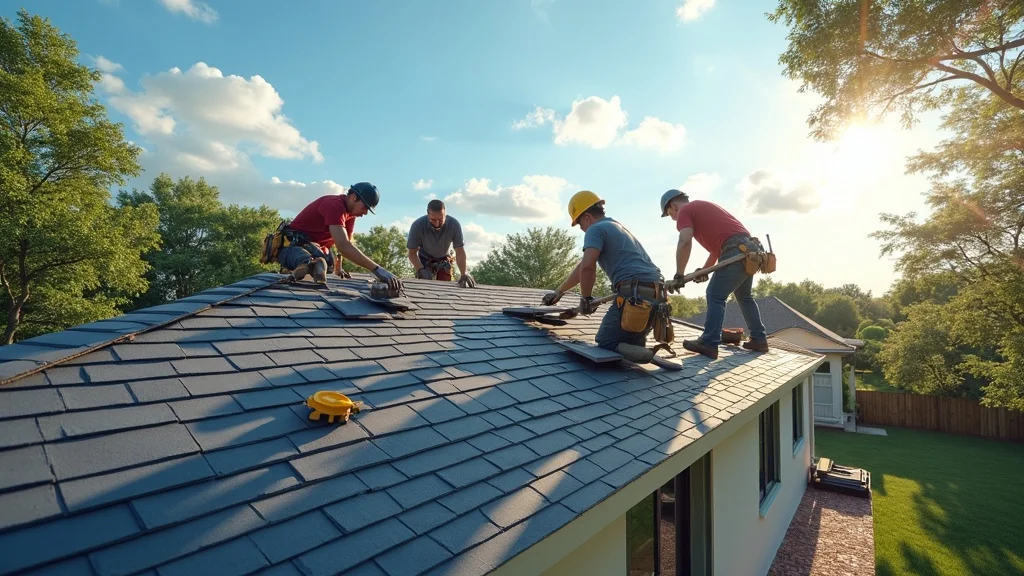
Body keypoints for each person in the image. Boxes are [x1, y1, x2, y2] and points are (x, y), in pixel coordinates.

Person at [542, 190, 666, 363]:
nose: (582, 229)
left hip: (634, 295)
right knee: (629, 342)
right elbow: (581, 267)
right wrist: (559, 292)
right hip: (655, 293)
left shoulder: (595, 229)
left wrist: (585, 299)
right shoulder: (616, 226)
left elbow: (588, 267)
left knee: (607, 341)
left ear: (586, 217)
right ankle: (640, 353)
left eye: (579, 224)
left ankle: (645, 355)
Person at [660, 188, 768, 359]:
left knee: (715, 295)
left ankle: (709, 342)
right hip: (749, 249)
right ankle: (759, 339)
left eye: (670, 214)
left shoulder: (685, 211)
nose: (673, 218)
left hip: (735, 249)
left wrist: (679, 274)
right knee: (744, 296)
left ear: (673, 205)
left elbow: (684, 240)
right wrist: (703, 271)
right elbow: (716, 251)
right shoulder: (701, 208)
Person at [276, 182, 403, 292]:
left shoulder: (350, 214)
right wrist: (377, 269)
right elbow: (344, 246)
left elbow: (346, 244)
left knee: (326, 264)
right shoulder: (334, 205)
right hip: (291, 248)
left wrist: (339, 268)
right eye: (365, 207)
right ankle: (308, 266)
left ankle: (317, 267)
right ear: (353, 198)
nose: (365, 213)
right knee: (308, 262)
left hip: (315, 250)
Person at [406, 199, 476, 288]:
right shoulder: (418, 226)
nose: (437, 223)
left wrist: (464, 273)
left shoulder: (454, 225)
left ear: (445, 213)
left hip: (444, 260)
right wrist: (420, 269)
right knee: (424, 286)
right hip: (424, 260)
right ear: (428, 213)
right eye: (433, 219)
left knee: (445, 288)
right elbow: (412, 253)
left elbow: (460, 251)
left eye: (441, 219)